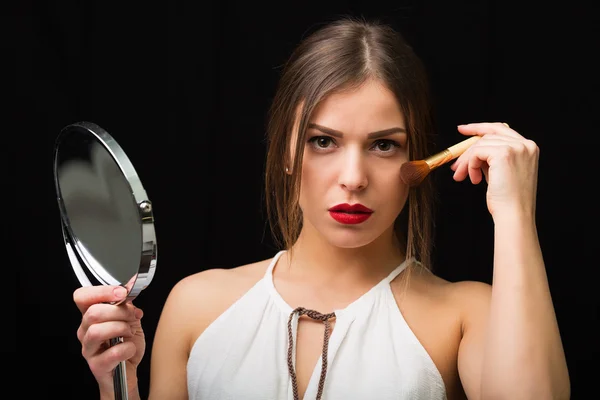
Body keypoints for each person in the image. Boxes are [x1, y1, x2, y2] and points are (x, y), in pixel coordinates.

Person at [72, 16, 570, 399]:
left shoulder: (468, 314)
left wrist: (515, 213)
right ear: (287, 151)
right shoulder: (197, 306)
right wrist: (119, 387)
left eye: (384, 146)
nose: (353, 178)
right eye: (324, 141)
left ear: (419, 156)